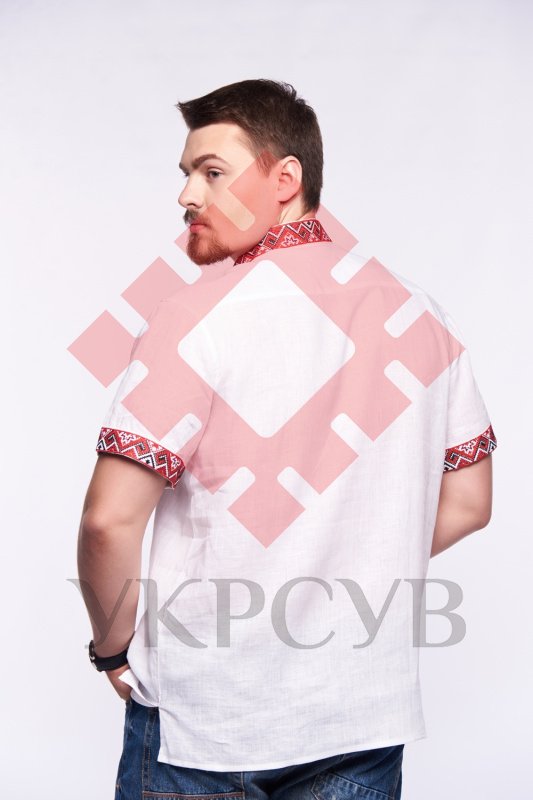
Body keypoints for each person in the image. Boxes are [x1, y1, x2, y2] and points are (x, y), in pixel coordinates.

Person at [77, 79, 498, 799]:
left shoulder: (192, 317)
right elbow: (467, 503)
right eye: (186, 173)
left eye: (212, 172)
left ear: (285, 179)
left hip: (207, 717)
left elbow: (107, 521)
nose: (186, 196)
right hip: (361, 711)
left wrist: (111, 648)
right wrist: (349, 553)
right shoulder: (419, 314)